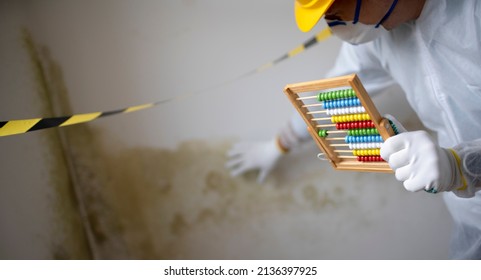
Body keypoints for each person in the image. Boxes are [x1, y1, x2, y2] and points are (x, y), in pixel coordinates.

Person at [226, 0, 481, 259]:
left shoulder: (472, 15)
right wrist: (279, 144)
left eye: (333, 7)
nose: (330, 21)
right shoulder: (379, 36)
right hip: (470, 214)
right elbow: (328, 97)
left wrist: (463, 166)